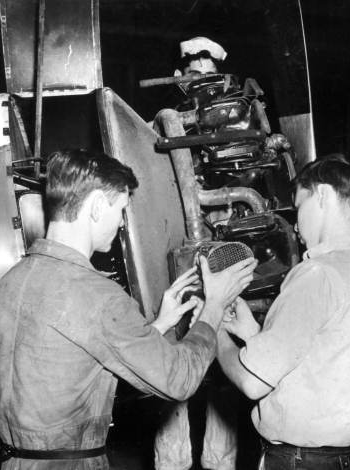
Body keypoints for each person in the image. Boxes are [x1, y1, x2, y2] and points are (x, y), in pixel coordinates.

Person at [0, 149, 257, 470]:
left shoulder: (13, 281)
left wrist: (161, 323)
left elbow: (77, 363)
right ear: (98, 205)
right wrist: (215, 306)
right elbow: (180, 379)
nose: (122, 223)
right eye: (121, 209)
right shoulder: (96, 294)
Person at [216, 155, 350, 469]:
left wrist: (213, 329)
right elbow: (324, 368)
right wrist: (253, 334)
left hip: (301, 461)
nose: (295, 224)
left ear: (322, 194)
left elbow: (252, 383)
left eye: (299, 207)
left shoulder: (317, 273)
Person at [154, 37, 240, 470]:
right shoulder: (159, 129)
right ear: (177, 76)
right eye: (193, 71)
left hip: (219, 270)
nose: (201, 81)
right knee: (173, 384)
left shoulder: (234, 135)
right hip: (174, 275)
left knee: (222, 384)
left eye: (209, 73)